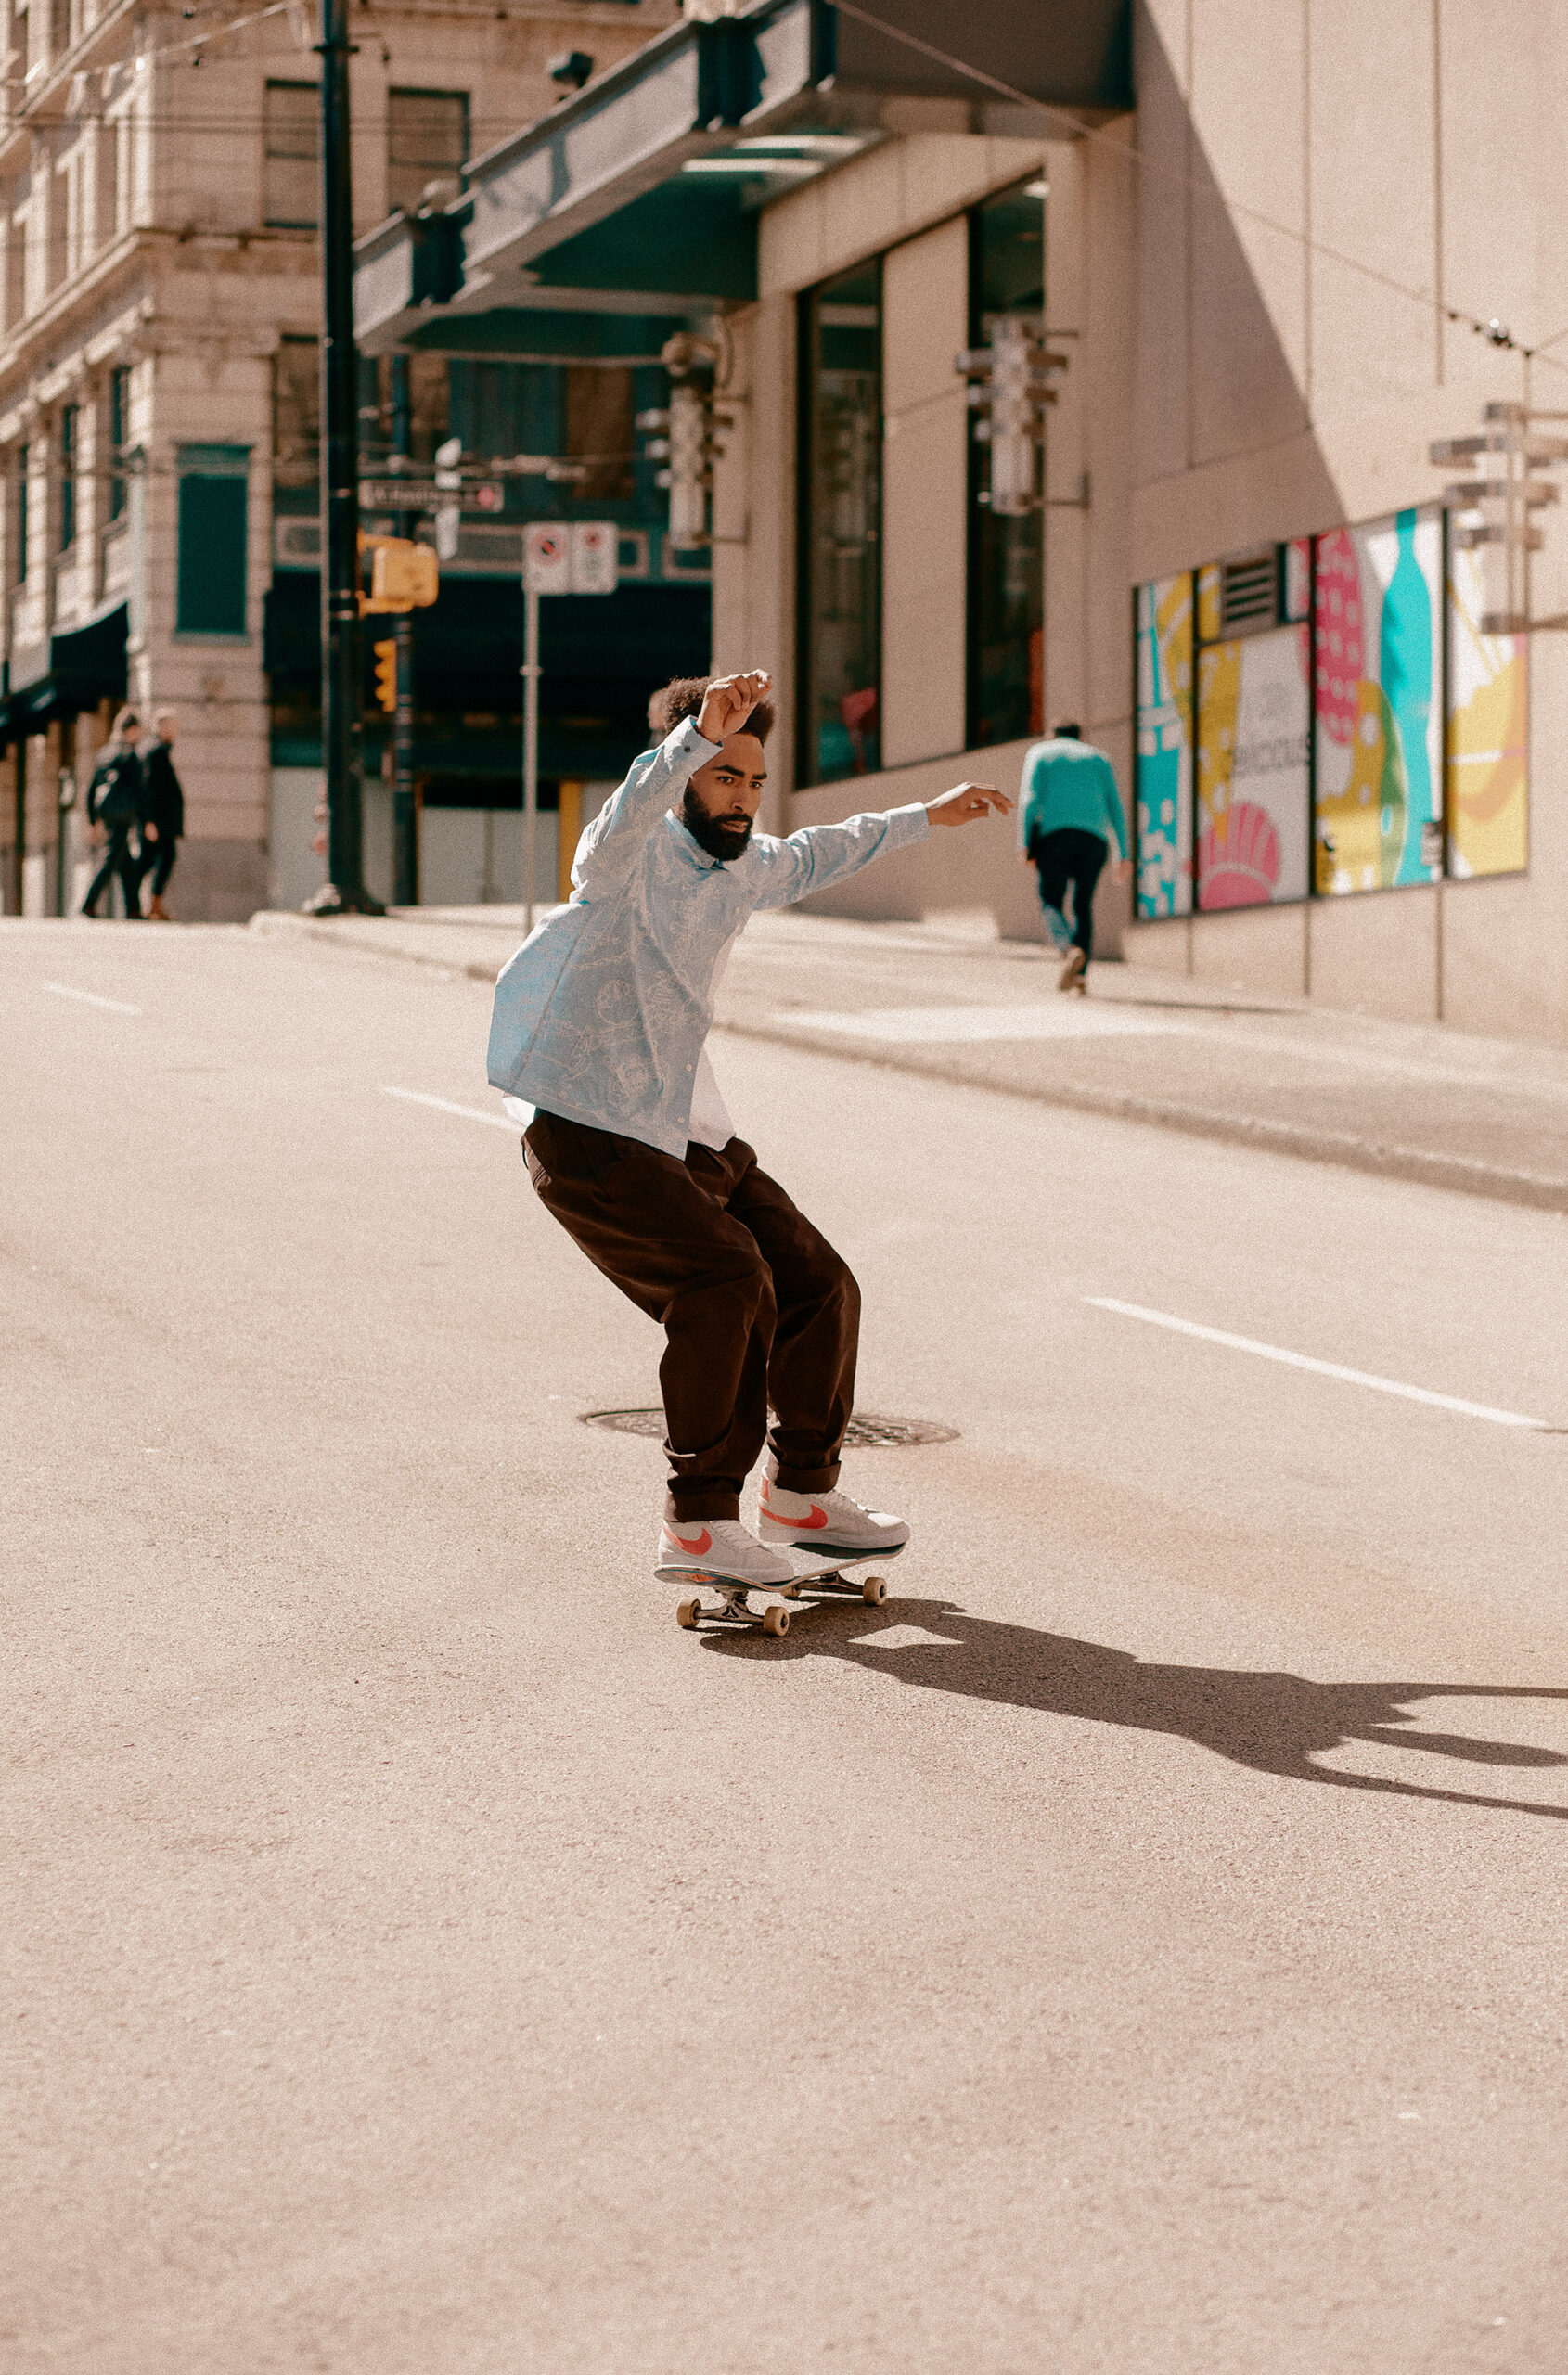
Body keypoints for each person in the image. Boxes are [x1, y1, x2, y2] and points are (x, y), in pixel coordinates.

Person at [489, 670, 1012, 1589]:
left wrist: (926, 815)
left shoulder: (745, 867)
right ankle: (696, 1520)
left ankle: (801, 1492)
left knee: (818, 1284)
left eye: (754, 782)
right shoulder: (626, 860)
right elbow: (624, 818)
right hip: (586, 1128)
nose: (742, 800)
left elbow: (818, 851)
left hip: (686, 1129)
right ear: (684, 775)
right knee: (724, 1280)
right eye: (724, 778)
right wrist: (691, 739)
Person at [1017, 719, 1131, 992]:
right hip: (1094, 840)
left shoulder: (1040, 752)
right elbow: (1114, 806)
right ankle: (1080, 976)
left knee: (1050, 900)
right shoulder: (1099, 758)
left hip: (1054, 838)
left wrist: (1024, 843)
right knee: (1083, 905)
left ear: (1051, 735)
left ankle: (1068, 949)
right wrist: (1123, 854)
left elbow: (1029, 800)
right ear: (1079, 737)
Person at [80, 708, 147, 920]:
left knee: (126, 863)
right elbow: (139, 789)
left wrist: (93, 820)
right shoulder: (129, 754)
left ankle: (134, 910)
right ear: (131, 729)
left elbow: (92, 789)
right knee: (110, 860)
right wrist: (145, 818)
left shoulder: (105, 753)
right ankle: (89, 903)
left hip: (107, 813)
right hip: (123, 814)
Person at [138, 710, 185, 920]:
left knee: (152, 860)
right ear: (161, 727)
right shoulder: (155, 751)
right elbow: (147, 788)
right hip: (158, 821)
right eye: (172, 727)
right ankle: (152, 906)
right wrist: (149, 821)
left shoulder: (159, 750)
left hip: (160, 820)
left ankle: (152, 906)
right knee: (162, 859)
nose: (176, 731)